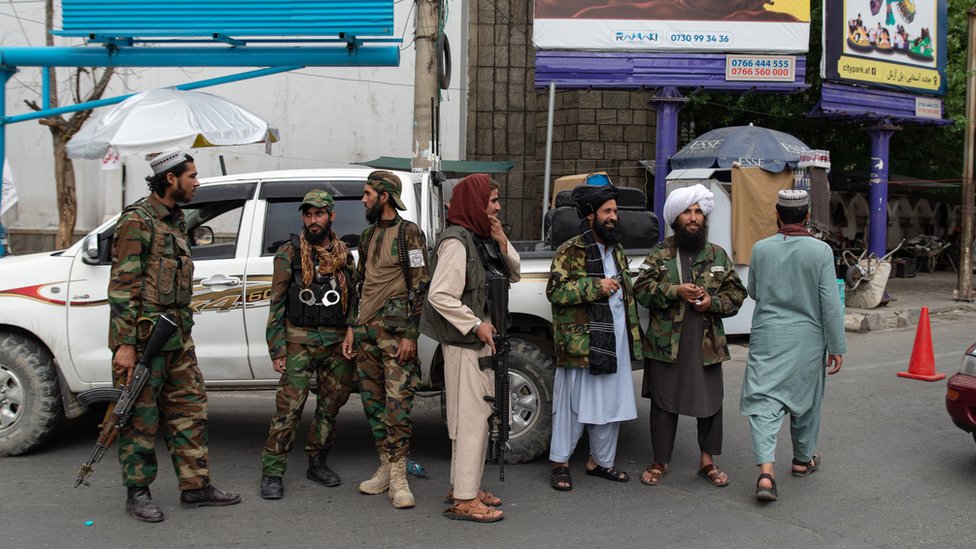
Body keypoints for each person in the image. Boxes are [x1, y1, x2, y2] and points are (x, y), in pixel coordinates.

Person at [108, 148, 241, 523]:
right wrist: (125, 346)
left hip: (178, 337)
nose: (197, 182)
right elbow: (123, 286)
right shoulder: (138, 221)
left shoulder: (176, 221)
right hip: (145, 342)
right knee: (139, 418)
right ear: (171, 178)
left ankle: (195, 487)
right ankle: (138, 492)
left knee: (190, 411)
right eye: (192, 176)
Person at [420, 174, 520, 523]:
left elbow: (516, 272)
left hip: (483, 341)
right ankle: (464, 499)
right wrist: (475, 324)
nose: (497, 206)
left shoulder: (481, 238)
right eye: (492, 200)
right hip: (466, 343)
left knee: (477, 416)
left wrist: (501, 237)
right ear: (476, 203)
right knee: (471, 418)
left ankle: (466, 487)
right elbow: (439, 295)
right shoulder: (456, 243)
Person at [633, 184, 746, 488]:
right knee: (663, 402)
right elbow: (641, 291)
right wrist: (675, 291)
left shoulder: (717, 255)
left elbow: (737, 292)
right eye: (687, 211)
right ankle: (659, 461)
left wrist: (714, 302)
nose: (693, 217)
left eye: (698, 211)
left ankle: (707, 462)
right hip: (666, 344)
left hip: (706, 343)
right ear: (676, 218)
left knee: (710, 402)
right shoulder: (660, 253)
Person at [740, 189, 846, 502]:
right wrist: (837, 346)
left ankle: (766, 472)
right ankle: (802, 460)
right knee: (806, 399)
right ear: (807, 216)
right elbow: (830, 303)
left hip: (767, 336)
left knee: (763, 402)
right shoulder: (821, 251)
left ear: (777, 214)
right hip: (808, 339)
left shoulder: (760, 249)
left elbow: (754, 292)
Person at [258, 190, 358, 500]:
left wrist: (351, 331)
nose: (313, 220)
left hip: (336, 343)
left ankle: (317, 461)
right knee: (288, 410)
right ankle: (272, 472)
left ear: (331, 215)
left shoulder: (345, 255)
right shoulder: (288, 253)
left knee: (330, 407)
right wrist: (277, 348)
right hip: (298, 342)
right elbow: (276, 303)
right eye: (308, 214)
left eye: (319, 214)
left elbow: (353, 299)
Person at [546, 183, 644, 491]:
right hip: (581, 346)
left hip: (614, 343)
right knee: (572, 407)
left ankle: (601, 462)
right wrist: (594, 287)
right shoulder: (570, 251)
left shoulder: (617, 250)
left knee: (609, 405)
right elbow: (556, 292)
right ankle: (560, 464)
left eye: (615, 211)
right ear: (590, 215)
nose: (614, 216)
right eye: (608, 211)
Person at [342, 170, 430, 509]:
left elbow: (421, 285)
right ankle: (385, 466)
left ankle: (399, 476)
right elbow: (360, 284)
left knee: (398, 405)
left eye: (367, 193)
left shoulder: (409, 233)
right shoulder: (366, 236)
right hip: (366, 331)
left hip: (395, 335)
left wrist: (411, 333)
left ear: (385, 196)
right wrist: (352, 325)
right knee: (373, 403)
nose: (363, 200)